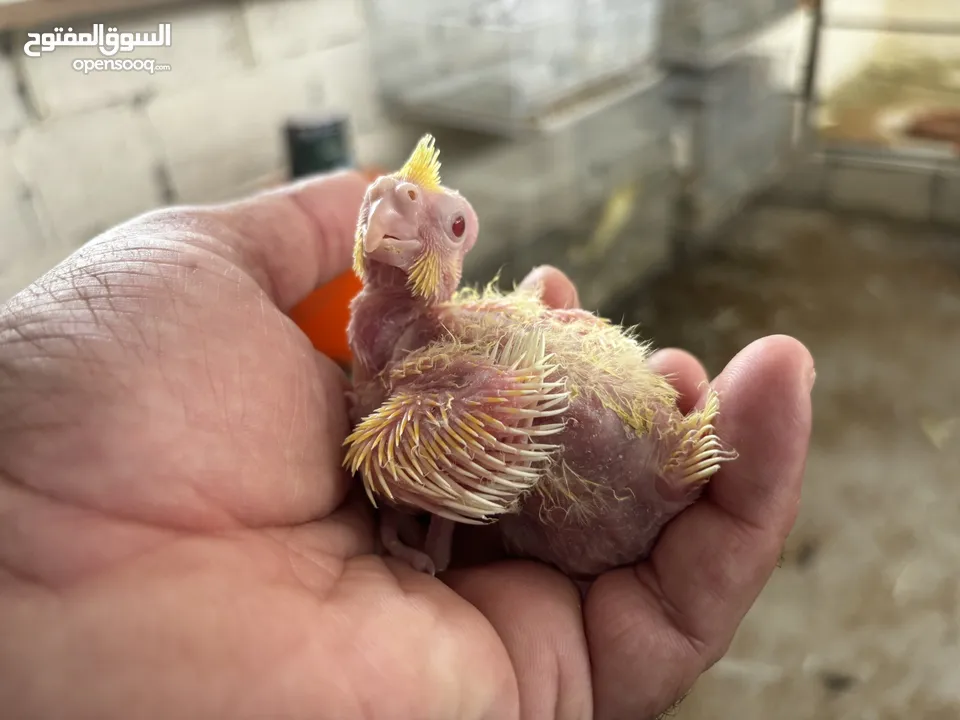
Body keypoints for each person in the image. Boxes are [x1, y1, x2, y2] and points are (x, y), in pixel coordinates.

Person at [0, 169, 813, 720]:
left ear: (456, 249)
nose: (393, 223)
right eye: (381, 208)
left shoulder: (430, 381)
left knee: (404, 449)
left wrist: (409, 523)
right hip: (620, 494)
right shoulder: (421, 351)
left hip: (613, 515)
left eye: (444, 222)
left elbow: (483, 445)